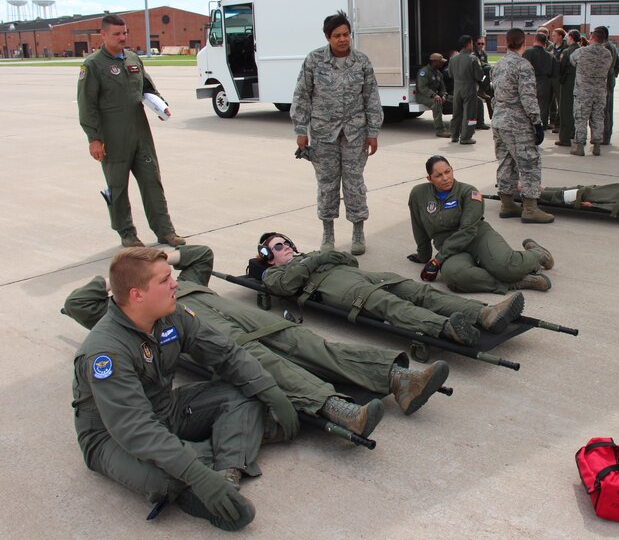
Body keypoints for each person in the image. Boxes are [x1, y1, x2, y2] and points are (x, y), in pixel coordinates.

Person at [65, 245, 451, 437]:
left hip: (212, 306)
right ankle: (333, 406)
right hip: (197, 324)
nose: (170, 279)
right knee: (258, 356)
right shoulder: (120, 314)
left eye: (167, 274)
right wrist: (112, 278)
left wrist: (160, 258)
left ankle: (398, 379)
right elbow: (75, 304)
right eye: (160, 277)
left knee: (297, 336)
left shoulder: (180, 282)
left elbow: (201, 254)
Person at [71, 247, 301, 531]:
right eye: (165, 280)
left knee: (244, 393)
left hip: (166, 409)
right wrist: (195, 474)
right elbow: (134, 427)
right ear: (137, 295)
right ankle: (215, 467)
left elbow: (225, 353)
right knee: (165, 477)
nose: (175, 283)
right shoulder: (106, 352)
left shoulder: (170, 314)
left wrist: (271, 392)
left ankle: (225, 472)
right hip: (111, 438)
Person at [258, 232, 526, 347]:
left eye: (287, 242)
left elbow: (349, 259)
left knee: (420, 292)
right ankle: (447, 328)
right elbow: (285, 286)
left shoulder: (309, 256)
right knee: (394, 307)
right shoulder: (274, 273)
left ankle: (484, 314)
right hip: (343, 290)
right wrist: (319, 258)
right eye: (279, 246)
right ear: (269, 256)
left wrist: (318, 257)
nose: (288, 247)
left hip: (365, 276)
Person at [77, 14, 186, 248]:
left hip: (141, 134)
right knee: (117, 188)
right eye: (116, 34)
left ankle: (165, 230)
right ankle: (127, 233)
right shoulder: (93, 65)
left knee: (152, 182)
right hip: (113, 137)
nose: (122, 37)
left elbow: (147, 87)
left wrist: (161, 105)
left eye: (124, 33)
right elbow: (87, 105)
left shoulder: (133, 59)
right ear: (103, 35)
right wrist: (93, 139)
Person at [291, 10, 383, 256]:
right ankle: (328, 233)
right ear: (327, 37)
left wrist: (373, 132)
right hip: (323, 134)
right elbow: (302, 96)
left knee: (354, 183)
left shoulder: (361, 61)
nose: (343, 39)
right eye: (337, 35)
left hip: (355, 133)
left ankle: (357, 231)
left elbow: (371, 98)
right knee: (327, 184)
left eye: (346, 34)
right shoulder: (314, 60)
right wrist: (301, 131)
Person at [408, 155, 555, 294]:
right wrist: (424, 256)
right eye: (438, 175)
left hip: (477, 237)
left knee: (506, 268)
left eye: (448, 171)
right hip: (451, 249)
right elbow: (418, 226)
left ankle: (536, 255)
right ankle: (518, 282)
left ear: (452, 169)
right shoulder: (419, 194)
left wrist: (437, 260)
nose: (445, 178)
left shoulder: (469, 192)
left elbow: (468, 230)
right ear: (429, 179)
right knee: (454, 276)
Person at [491, 28, 553, 224]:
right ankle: (530, 208)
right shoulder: (523, 66)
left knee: (506, 162)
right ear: (523, 42)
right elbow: (528, 98)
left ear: (507, 42)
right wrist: (537, 122)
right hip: (517, 122)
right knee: (530, 163)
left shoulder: (498, 65)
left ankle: (507, 203)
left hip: (499, 120)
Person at [570, 28, 612, 157]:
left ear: (592, 38)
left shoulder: (581, 52)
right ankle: (597, 145)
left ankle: (579, 145)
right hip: (599, 92)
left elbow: (572, 61)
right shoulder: (607, 54)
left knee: (581, 118)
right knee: (598, 117)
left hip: (583, 91)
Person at [448, 35, 485, 145]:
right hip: (469, 88)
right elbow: (479, 76)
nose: (473, 45)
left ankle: (454, 135)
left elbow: (450, 74)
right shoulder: (472, 58)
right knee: (470, 115)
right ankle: (466, 137)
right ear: (469, 44)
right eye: (472, 43)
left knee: (456, 113)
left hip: (457, 88)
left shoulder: (453, 59)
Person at [523, 32, 558, 129]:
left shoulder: (527, 53)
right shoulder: (550, 56)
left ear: (534, 40)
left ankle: (529, 124)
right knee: (544, 105)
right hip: (545, 81)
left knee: (528, 103)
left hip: (529, 81)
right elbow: (555, 73)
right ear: (545, 43)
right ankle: (542, 125)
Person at [595, 26, 619, 146]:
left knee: (604, 109)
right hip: (609, 79)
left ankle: (604, 136)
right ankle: (605, 135)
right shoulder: (612, 46)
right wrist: (614, 75)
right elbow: (618, 63)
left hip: (605, 81)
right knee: (607, 108)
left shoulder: (605, 47)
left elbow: (606, 65)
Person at [415, 53, 451, 138]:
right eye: (440, 62)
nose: (442, 63)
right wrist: (434, 95)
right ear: (434, 62)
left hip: (435, 95)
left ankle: (459, 126)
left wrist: (444, 95)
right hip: (423, 96)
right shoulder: (424, 72)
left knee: (455, 100)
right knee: (437, 103)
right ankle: (440, 130)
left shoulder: (438, 73)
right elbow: (422, 88)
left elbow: (442, 87)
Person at [555, 30, 581, 147]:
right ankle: (573, 132)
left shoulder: (567, 51)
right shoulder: (581, 50)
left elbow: (561, 68)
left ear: (570, 37)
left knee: (565, 111)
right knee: (576, 111)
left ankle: (564, 138)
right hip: (579, 84)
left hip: (567, 84)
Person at [548, 28, 566, 131]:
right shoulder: (551, 47)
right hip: (550, 76)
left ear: (560, 36)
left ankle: (559, 124)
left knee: (560, 101)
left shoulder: (565, 47)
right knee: (550, 101)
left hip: (559, 78)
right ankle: (552, 121)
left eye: (554, 35)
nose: (553, 37)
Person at [473, 35, 492, 129]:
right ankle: (478, 123)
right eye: (479, 43)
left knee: (491, 94)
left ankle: (493, 118)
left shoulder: (484, 53)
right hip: (474, 77)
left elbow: (485, 63)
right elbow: (477, 65)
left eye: (482, 44)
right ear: (475, 43)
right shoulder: (473, 53)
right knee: (478, 102)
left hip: (482, 78)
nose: (481, 45)